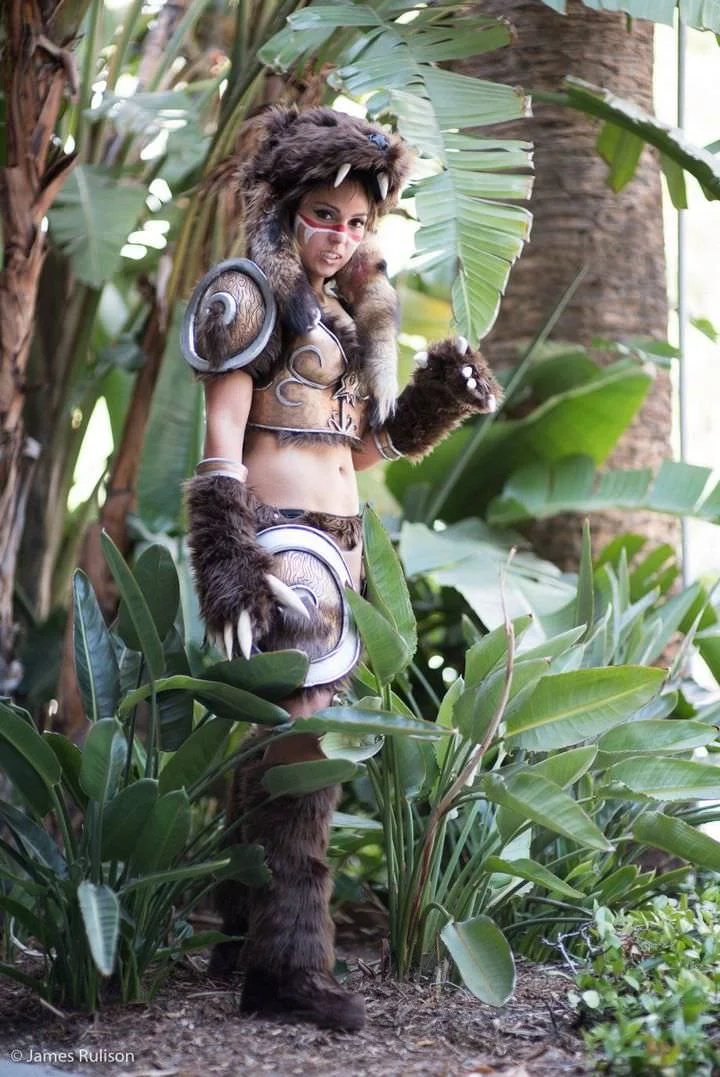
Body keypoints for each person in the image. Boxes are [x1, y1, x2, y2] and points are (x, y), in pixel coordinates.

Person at [182, 106, 501, 1031]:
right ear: (288, 206)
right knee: (307, 749)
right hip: (279, 543)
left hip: (341, 546)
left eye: (358, 222)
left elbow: (357, 449)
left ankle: (242, 937)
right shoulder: (248, 293)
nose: (341, 236)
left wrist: (434, 402)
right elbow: (220, 441)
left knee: (283, 744)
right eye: (325, 215)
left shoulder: (342, 313)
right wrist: (227, 558)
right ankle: (289, 969)